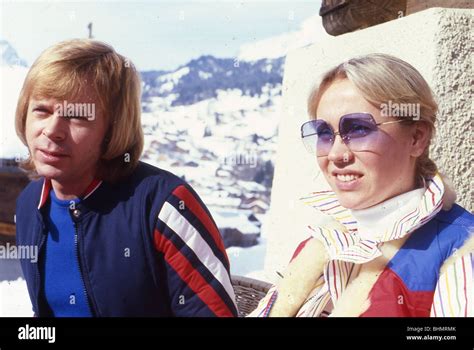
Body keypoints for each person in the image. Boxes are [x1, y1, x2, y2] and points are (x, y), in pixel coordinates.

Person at [15, 39, 237, 317]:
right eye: (42, 110)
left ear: (113, 129)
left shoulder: (164, 206)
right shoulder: (29, 206)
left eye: (77, 117)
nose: (53, 130)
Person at [250, 53, 473, 317]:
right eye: (323, 133)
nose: (335, 154)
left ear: (416, 138)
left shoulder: (461, 253)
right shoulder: (324, 240)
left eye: (357, 129)